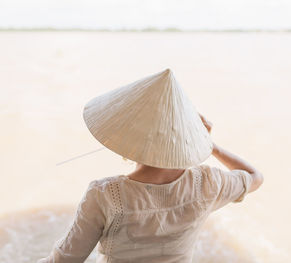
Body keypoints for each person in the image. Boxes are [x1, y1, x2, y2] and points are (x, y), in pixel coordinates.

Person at [37, 69, 264, 263]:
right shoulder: (207, 184)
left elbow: (65, 260)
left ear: (129, 135)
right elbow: (254, 176)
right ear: (187, 139)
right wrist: (209, 145)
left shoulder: (105, 195)